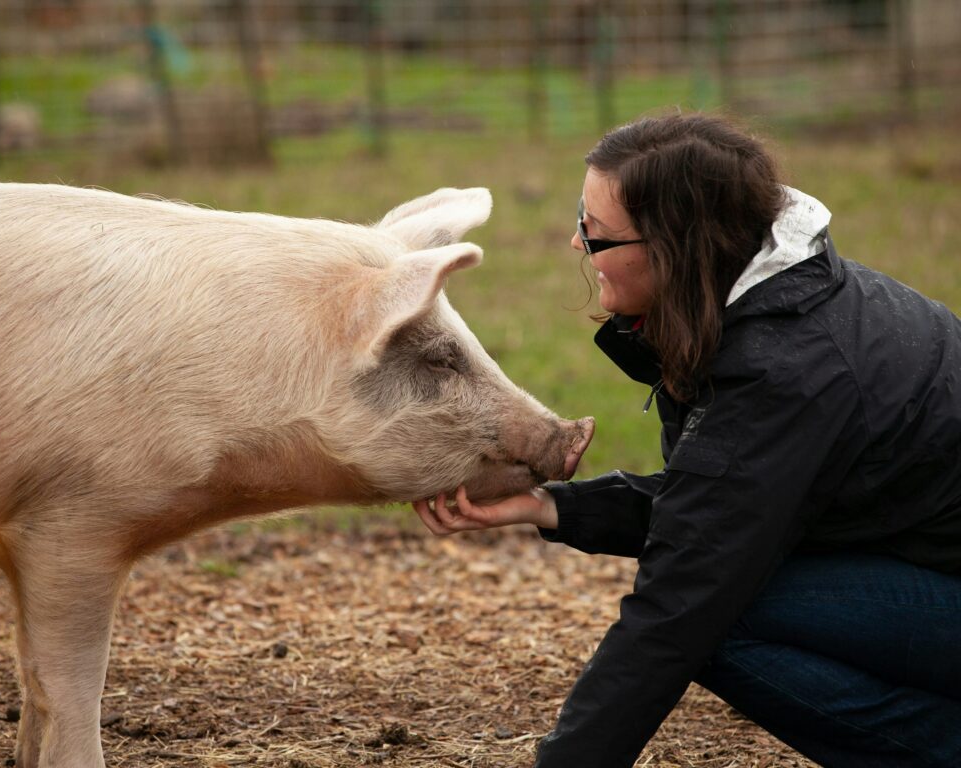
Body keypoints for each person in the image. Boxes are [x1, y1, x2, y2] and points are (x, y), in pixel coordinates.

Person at [412, 113, 961, 767]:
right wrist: (552, 507)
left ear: (675, 247)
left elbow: (686, 592)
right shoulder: (773, 296)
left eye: (597, 232)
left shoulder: (786, 367)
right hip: (930, 566)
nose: (574, 242)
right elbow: (730, 499)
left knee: (719, 618)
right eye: (579, 218)